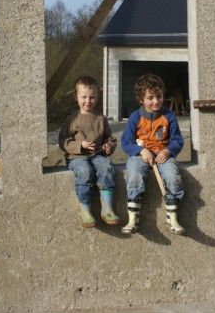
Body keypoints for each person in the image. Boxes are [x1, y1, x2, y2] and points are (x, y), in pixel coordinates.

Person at [121, 74, 185, 235]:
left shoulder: (169, 116)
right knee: (134, 174)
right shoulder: (135, 117)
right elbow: (126, 142)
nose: (156, 101)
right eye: (150, 97)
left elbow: (177, 140)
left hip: (163, 155)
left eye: (159, 96)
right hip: (140, 156)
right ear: (141, 99)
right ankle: (133, 218)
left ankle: (173, 217)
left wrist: (168, 150)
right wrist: (141, 151)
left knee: (173, 176)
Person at [59, 75, 120, 228]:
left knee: (106, 168)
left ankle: (107, 208)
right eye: (84, 97)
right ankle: (85, 210)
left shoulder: (100, 118)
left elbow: (110, 138)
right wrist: (80, 145)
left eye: (92, 97)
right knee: (85, 172)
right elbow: (63, 141)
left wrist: (108, 146)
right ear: (76, 96)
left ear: (98, 97)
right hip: (77, 157)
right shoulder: (72, 119)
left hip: (97, 155)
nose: (88, 101)